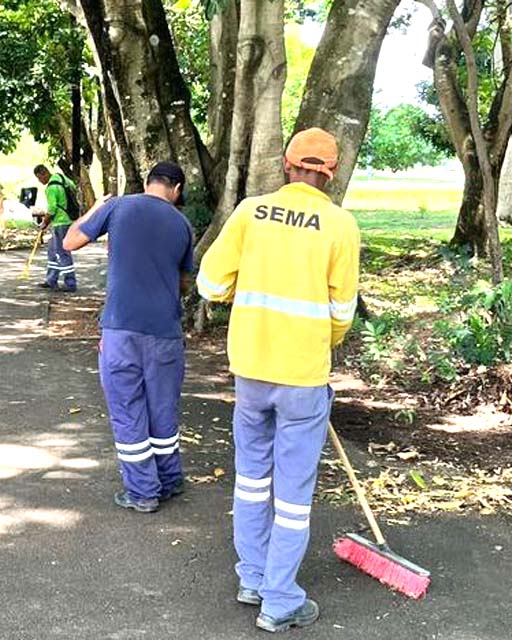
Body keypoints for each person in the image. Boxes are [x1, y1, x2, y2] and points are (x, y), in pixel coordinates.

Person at [197, 128, 360, 633]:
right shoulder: (340, 225)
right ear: (330, 174)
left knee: (251, 479)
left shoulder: (250, 212)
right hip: (303, 377)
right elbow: (342, 312)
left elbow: (209, 283)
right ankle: (280, 597)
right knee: (292, 493)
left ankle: (252, 577)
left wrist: (238, 293)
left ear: (287, 165)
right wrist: (320, 342)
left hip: (251, 371)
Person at [64, 161, 195, 513]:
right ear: (177, 190)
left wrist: (94, 207)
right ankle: (169, 479)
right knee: (163, 408)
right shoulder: (183, 224)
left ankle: (142, 492)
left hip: (121, 329)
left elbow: (70, 241)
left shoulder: (118, 206)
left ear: (148, 182)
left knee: (128, 408)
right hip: (166, 332)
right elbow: (184, 283)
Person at [33, 165, 78, 292]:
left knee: (62, 252)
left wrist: (44, 223)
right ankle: (51, 280)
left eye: (38, 177)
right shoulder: (63, 179)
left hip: (60, 223)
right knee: (52, 251)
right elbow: (74, 189)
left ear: (43, 173)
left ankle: (70, 283)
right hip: (69, 219)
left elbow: (52, 209)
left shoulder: (51, 187)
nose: (39, 181)